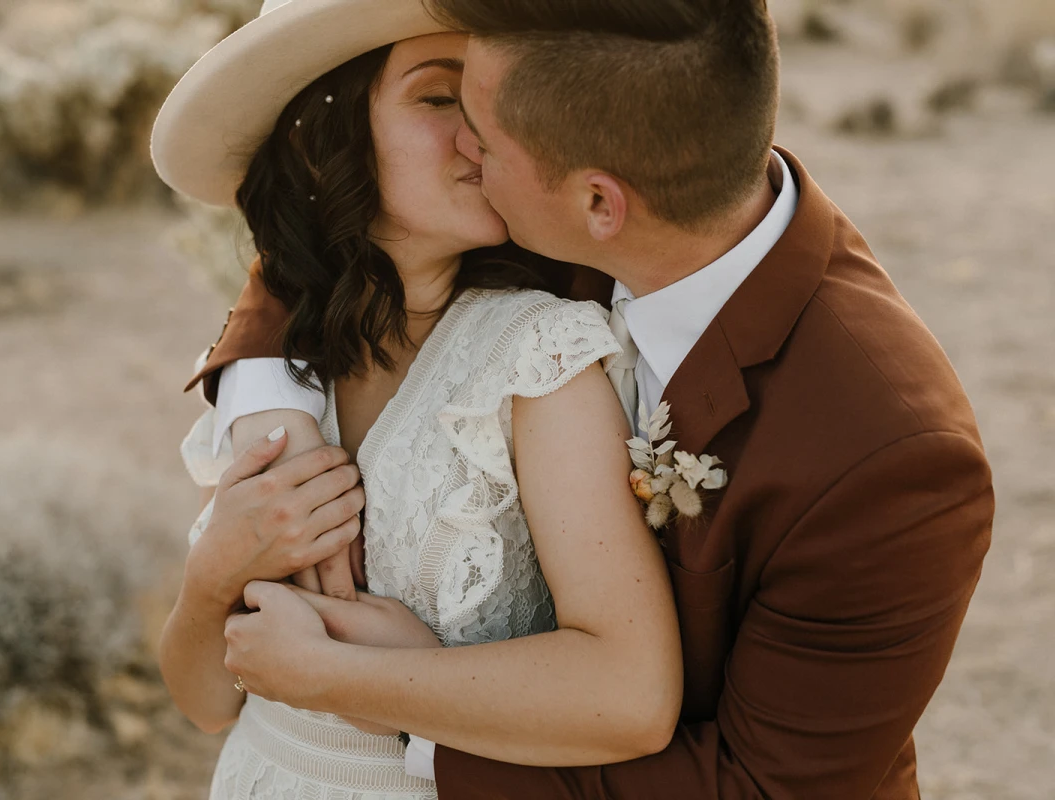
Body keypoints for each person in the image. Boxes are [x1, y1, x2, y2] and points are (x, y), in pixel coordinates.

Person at [193, 0, 996, 797]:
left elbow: (756, 789)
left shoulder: (892, 458)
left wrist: (391, 694)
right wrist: (271, 407)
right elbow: (329, 244)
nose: (469, 147)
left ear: (599, 204)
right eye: (449, 101)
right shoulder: (574, 206)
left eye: (485, 128)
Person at [152, 1, 683, 797]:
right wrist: (212, 575)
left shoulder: (539, 358)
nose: (486, 133)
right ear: (320, 136)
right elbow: (207, 704)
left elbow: (631, 696)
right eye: (441, 98)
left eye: (498, 100)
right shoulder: (277, 369)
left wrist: (348, 675)